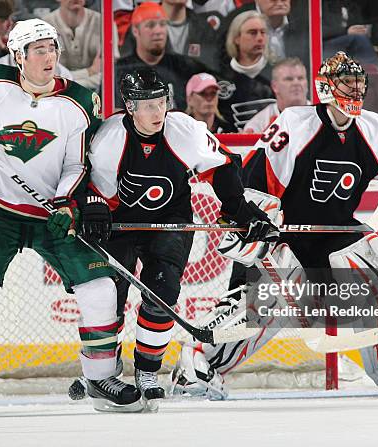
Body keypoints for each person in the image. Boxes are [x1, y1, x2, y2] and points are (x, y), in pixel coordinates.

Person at [169, 51, 378, 399]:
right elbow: (257, 179)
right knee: (263, 303)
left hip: (335, 235)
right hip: (287, 233)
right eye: (346, 82)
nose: (355, 90)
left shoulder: (372, 128)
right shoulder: (295, 123)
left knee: (376, 265)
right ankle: (199, 362)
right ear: (325, 87)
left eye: (359, 83)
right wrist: (251, 227)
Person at [0, 19, 142, 417]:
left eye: (53, 49)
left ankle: (98, 376)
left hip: (53, 215)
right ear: (18, 57)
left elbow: (79, 163)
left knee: (100, 288)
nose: (49, 57)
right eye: (38, 50)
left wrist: (65, 203)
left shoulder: (78, 101)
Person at [67, 67, 277, 410]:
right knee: (107, 297)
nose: (157, 112)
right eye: (147, 105)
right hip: (120, 223)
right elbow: (91, 187)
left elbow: (222, 165)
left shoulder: (184, 130)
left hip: (169, 220)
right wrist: (91, 206)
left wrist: (240, 209)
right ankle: (108, 366)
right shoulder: (109, 139)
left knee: (163, 291)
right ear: (130, 107)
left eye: (161, 102)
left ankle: (147, 371)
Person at [114, 2, 209, 111]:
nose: (158, 31)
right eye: (150, 25)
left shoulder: (183, 67)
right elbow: (115, 113)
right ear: (135, 31)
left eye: (162, 24)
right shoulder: (121, 71)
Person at [218, 11, 274, 131]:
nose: (260, 38)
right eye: (252, 33)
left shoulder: (279, 73)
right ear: (236, 38)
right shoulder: (220, 76)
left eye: (263, 32)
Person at [43, 0, 119, 90]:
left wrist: (64, 82)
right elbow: (47, 77)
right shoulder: (45, 26)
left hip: (98, 96)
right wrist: (89, 72)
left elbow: (105, 77)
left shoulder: (105, 23)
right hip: (56, 97)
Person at [243, 57, 309, 133]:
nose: (296, 83)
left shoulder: (322, 117)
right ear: (274, 86)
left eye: (300, 78)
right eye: (289, 79)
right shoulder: (259, 124)